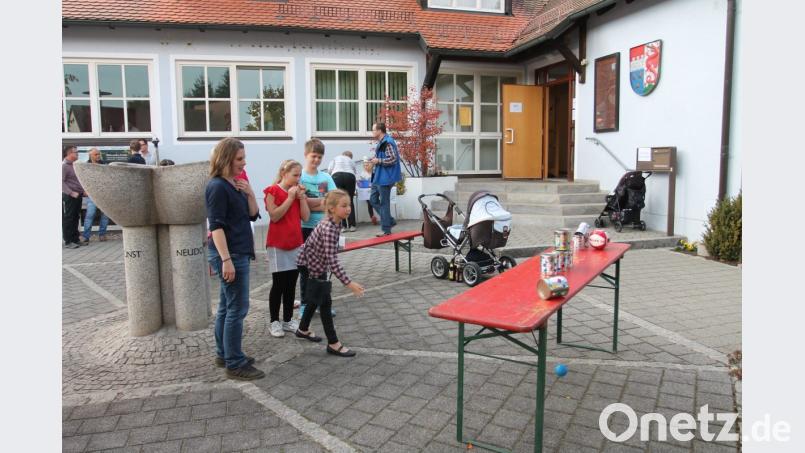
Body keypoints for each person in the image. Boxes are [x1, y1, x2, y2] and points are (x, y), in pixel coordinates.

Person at [205, 137, 264, 380]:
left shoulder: (234, 183)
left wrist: (250, 193)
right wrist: (226, 260)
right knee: (237, 309)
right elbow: (216, 226)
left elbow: (252, 216)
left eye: (244, 158)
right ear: (226, 158)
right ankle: (234, 362)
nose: (244, 163)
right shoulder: (217, 186)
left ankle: (224, 353)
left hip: (237, 252)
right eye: (239, 159)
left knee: (227, 307)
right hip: (230, 254)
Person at [295, 189, 364, 357]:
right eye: (344, 205)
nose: (348, 209)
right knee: (325, 302)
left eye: (349, 205)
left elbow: (329, 254)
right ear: (332, 208)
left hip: (315, 263)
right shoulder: (328, 227)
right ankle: (333, 343)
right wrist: (349, 283)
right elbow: (332, 260)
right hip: (309, 265)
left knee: (315, 298)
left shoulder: (336, 223)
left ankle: (303, 329)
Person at [263, 160, 310, 338]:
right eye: (295, 175)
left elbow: (305, 217)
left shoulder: (297, 193)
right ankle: (274, 321)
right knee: (279, 284)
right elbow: (274, 216)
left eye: (300, 175)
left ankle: (288, 319)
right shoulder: (272, 190)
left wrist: (302, 198)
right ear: (284, 173)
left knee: (291, 284)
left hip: (295, 242)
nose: (298, 179)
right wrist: (290, 198)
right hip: (278, 243)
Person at [299, 138, 336, 318]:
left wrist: (311, 203)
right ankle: (305, 303)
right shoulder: (300, 177)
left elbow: (333, 201)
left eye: (320, 157)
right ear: (306, 155)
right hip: (305, 228)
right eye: (313, 156)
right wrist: (320, 202)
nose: (316, 160)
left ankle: (323, 302)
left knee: (322, 268)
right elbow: (301, 203)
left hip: (323, 229)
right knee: (306, 268)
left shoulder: (326, 177)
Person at [369, 122, 402, 237]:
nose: (372, 132)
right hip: (379, 176)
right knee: (373, 200)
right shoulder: (382, 142)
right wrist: (376, 159)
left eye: (373, 130)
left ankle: (386, 229)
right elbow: (385, 157)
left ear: (379, 131)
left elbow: (393, 159)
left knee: (384, 203)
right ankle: (389, 220)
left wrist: (378, 161)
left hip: (385, 177)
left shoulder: (387, 142)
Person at [81, 148, 110, 243]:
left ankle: (102, 234)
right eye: (96, 154)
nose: (98, 156)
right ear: (90, 155)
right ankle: (86, 236)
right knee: (90, 215)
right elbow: (82, 179)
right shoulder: (86, 166)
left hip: (103, 194)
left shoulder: (104, 165)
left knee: (105, 216)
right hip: (91, 194)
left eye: (99, 154)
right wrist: (84, 190)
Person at [62, 145, 87, 249]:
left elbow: (77, 181)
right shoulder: (64, 166)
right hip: (69, 196)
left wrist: (83, 191)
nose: (77, 154)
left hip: (78, 195)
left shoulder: (74, 165)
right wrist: (71, 193)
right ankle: (68, 241)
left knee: (76, 217)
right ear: (69, 154)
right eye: (75, 152)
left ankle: (75, 239)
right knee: (69, 218)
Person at [328, 151, 358, 232]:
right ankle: (352, 225)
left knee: (339, 201)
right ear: (350, 156)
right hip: (350, 176)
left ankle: (342, 226)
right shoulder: (351, 160)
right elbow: (355, 171)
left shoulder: (336, 158)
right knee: (350, 200)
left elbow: (329, 170)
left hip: (337, 176)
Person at [359, 159, 379, 225]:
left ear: (370, 165)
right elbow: (360, 183)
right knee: (370, 203)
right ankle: (372, 217)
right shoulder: (362, 173)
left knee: (376, 202)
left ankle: (381, 215)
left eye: (367, 165)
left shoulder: (374, 172)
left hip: (375, 190)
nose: (366, 167)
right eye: (364, 166)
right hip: (366, 192)